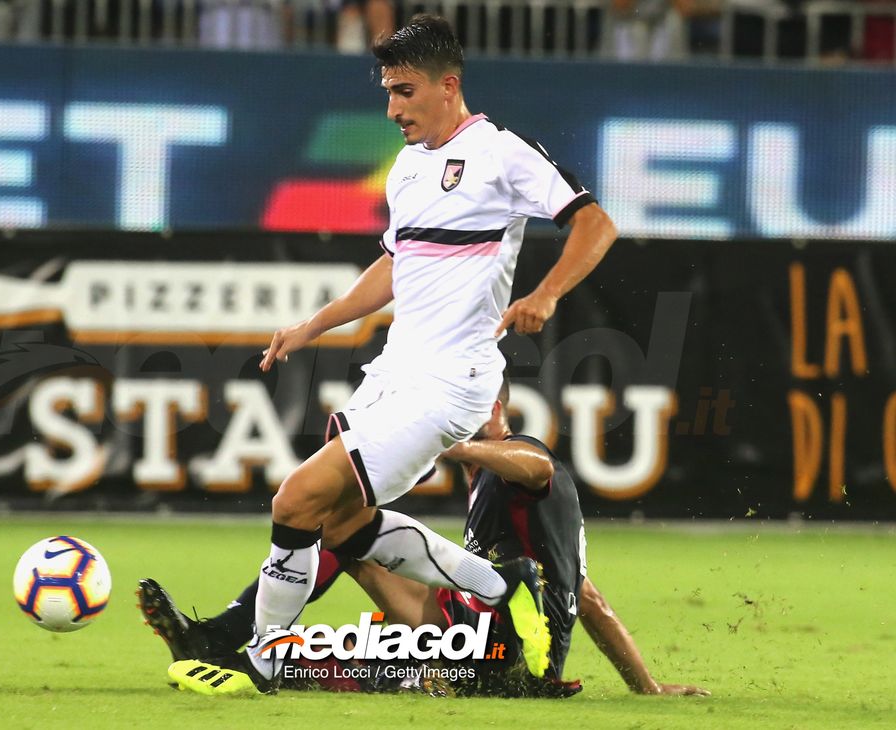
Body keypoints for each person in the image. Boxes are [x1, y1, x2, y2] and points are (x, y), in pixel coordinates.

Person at [167, 14, 618, 695]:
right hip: (393, 372)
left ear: (448, 85)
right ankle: (504, 586)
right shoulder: (407, 170)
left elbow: (596, 223)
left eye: (404, 91)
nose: (392, 108)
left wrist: (548, 294)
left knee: (296, 500)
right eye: (387, 91)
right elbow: (393, 263)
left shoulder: (501, 153)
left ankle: (261, 656)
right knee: (343, 525)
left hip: (450, 381)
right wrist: (313, 325)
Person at [139, 373, 708, 697]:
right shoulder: (491, 493)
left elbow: (538, 471)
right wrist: (647, 689)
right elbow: (589, 599)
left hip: (500, 649)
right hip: (482, 626)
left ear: (492, 407)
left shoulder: (523, 458)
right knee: (340, 527)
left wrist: (450, 442)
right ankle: (229, 641)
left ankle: (252, 653)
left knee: (351, 616)